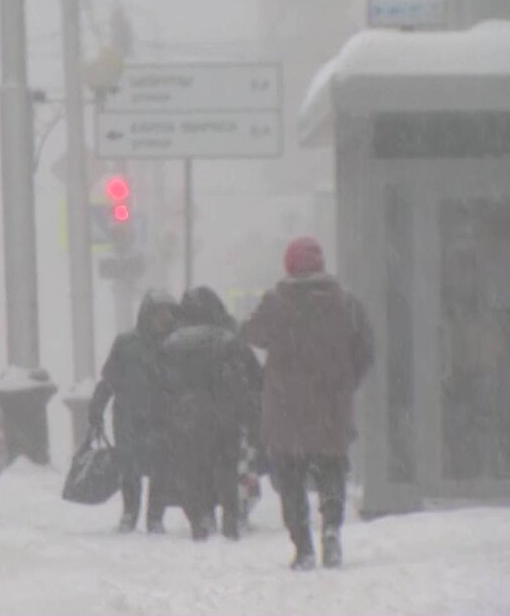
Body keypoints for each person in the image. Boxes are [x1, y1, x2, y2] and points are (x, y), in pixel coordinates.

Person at [241, 237, 374, 570]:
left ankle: (303, 547)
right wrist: (345, 383)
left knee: (291, 479)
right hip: (331, 406)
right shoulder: (347, 303)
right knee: (331, 471)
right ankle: (331, 529)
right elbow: (366, 350)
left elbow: (253, 334)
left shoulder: (277, 301)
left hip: (287, 408)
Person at [156, 287, 261, 541]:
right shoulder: (228, 340)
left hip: (186, 417)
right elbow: (253, 378)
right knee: (226, 465)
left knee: (193, 469)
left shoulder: (171, 344)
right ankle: (230, 516)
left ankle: (201, 518)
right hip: (225, 414)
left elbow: (161, 385)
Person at [89, 290, 180, 534]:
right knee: (129, 467)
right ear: (147, 315)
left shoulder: (175, 346)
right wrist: (97, 407)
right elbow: (109, 378)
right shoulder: (126, 343)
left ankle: (155, 517)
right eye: (160, 314)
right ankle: (130, 512)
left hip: (162, 417)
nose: (165, 319)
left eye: (169, 314)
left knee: (161, 467)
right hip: (128, 416)